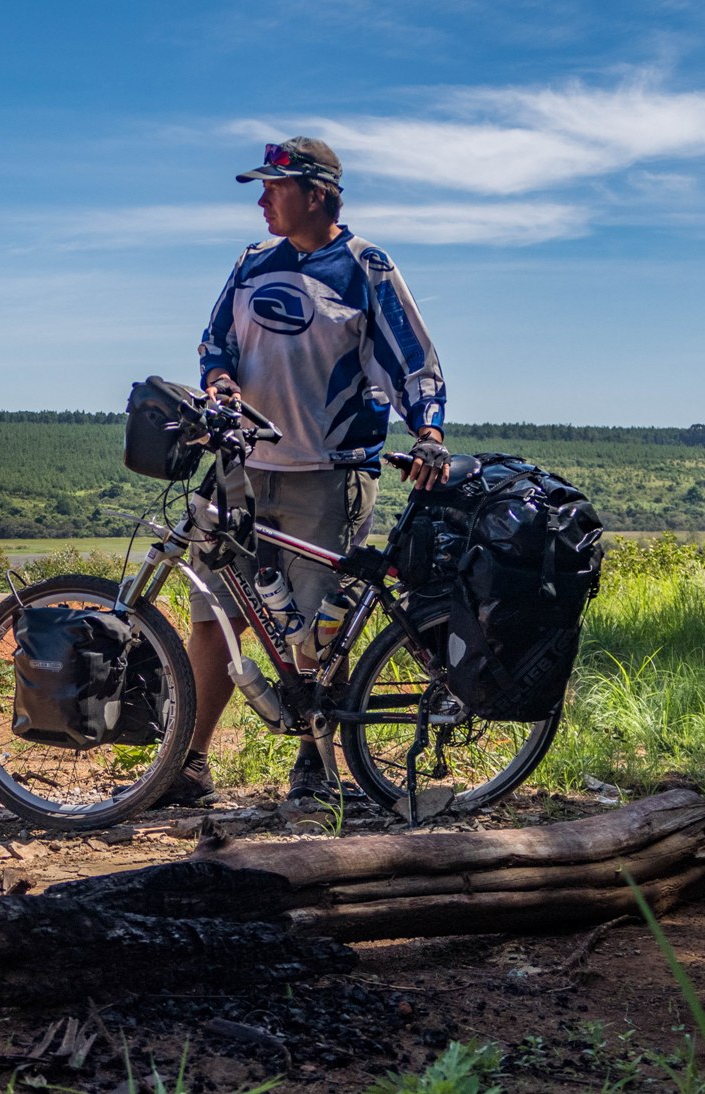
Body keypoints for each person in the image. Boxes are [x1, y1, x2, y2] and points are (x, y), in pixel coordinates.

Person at [159, 136, 451, 806]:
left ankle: (317, 767)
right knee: (216, 618)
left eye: (274, 188)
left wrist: (428, 431)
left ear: (316, 194)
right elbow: (215, 342)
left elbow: (416, 362)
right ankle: (191, 763)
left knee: (318, 631)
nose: (262, 200)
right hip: (241, 472)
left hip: (329, 474)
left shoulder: (365, 267)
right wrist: (221, 380)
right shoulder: (252, 263)